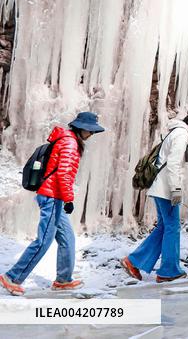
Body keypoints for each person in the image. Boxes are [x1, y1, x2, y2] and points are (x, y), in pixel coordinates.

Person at [1, 112, 105, 296]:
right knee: (43, 241)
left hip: (53, 195)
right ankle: (12, 277)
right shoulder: (70, 143)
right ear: (82, 129)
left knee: (67, 238)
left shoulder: (65, 140)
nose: (91, 135)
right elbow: (63, 174)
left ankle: (63, 280)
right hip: (52, 197)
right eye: (90, 131)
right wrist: (68, 199)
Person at [121, 109, 188, 283]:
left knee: (164, 227)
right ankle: (168, 270)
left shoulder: (175, 132)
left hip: (160, 187)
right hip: (166, 189)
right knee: (172, 227)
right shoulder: (182, 134)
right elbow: (173, 164)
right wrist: (176, 190)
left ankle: (134, 261)